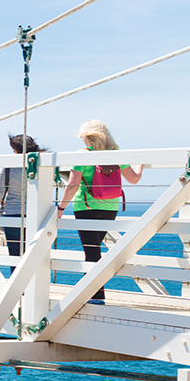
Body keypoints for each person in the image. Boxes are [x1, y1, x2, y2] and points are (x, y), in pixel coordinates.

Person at [57, 119, 143, 305]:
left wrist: (61, 207)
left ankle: (95, 297)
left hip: (86, 207)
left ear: (87, 138)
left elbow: (72, 184)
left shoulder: (82, 154)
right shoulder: (115, 154)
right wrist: (141, 164)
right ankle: (93, 294)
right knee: (95, 252)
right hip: (110, 207)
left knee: (91, 252)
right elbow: (134, 179)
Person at [0, 135, 40, 258]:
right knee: (33, 256)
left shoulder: (8, 168)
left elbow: (0, 195)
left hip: (12, 214)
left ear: (15, 150)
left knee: (15, 255)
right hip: (35, 215)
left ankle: (16, 277)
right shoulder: (41, 167)